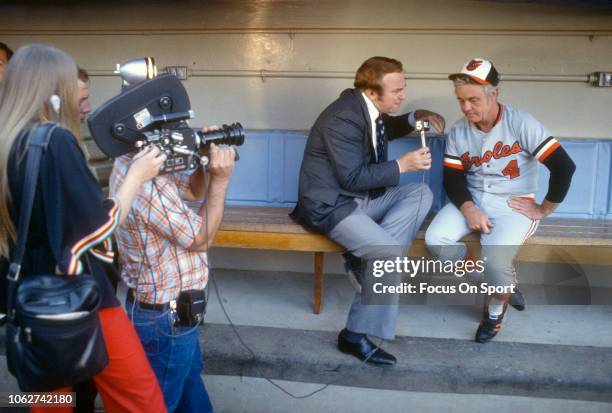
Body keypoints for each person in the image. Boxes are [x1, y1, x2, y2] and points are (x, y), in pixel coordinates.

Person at [0, 44, 168, 413]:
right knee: (141, 402)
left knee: (51, 401)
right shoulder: (54, 140)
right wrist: (136, 177)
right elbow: (97, 230)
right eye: (83, 97)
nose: (88, 107)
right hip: (78, 295)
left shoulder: (10, 139)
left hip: (30, 294)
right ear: (53, 94)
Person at [290, 56, 445, 365]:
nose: (403, 95)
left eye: (404, 88)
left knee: (420, 192)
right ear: (373, 92)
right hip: (331, 204)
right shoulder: (342, 118)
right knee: (387, 252)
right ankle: (354, 335)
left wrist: (416, 117)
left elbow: (384, 125)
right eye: (397, 91)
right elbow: (352, 177)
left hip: (360, 198)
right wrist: (403, 165)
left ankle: (366, 263)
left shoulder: (366, 107)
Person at [425, 58, 576, 343]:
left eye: (473, 99)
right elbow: (452, 178)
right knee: (436, 239)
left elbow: (564, 166)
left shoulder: (521, 122)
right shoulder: (459, 130)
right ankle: (502, 284)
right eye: (460, 100)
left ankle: (496, 309)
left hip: (513, 204)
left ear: (494, 94)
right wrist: (468, 208)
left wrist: (544, 208)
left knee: (495, 259)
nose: (466, 107)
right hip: (473, 199)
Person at [110, 120, 235, 409]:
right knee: (158, 402)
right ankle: (362, 313)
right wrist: (221, 180)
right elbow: (201, 238)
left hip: (176, 311)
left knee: (190, 385)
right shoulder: (146, 184)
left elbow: (192, 191)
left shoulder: (136, 160)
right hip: (167, 316)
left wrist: (205, 159)